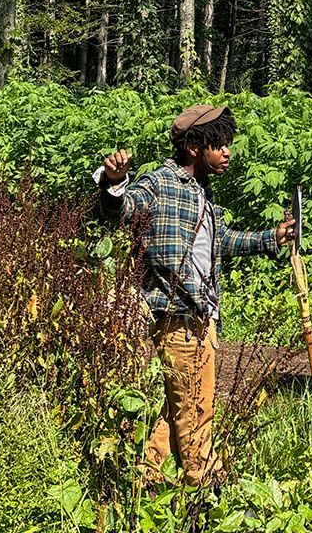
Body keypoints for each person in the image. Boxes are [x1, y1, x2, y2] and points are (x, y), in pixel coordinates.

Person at [95, 105, 297, 486]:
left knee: (170, 410)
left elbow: (221, 242)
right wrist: (113, 181)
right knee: (197, 410)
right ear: (194, 147)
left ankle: (144, 486)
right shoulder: (159, 184)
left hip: (198, 317)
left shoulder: (203, 194)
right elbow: (121, 211)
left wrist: (272, 237)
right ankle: (206, 492)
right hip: (179, 317)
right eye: (219, 145)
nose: (227, 153)